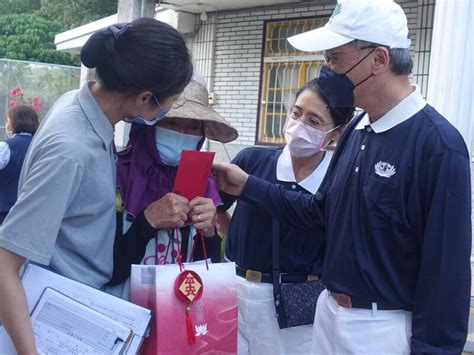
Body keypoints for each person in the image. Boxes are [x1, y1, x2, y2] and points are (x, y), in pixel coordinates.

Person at [213, 0, 471, 353]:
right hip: (328, 315)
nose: (328, 70)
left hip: (381, 328)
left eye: (335, 58)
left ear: (378, 60)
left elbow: (446, 269)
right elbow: (321, 213)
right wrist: (248, 186)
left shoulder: (436, 145)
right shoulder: (358, 130)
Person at [0, 18, 193, 354]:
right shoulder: (71, 149)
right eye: (169, 105)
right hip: (51, 324)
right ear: (144, 98)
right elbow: (5, 265)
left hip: (81, 309)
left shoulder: (85, 109)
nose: (167, 114)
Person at [216, 78, 354, 355]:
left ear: (336, 133)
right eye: (296, 113)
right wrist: (237, 238)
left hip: (299, 301)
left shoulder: (337, 179)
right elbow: (216, 207)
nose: (300, 124)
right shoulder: (251, 161)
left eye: (314, 121)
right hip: (236, 289)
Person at [107, 76, 238, 296]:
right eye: (172, 122)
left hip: (176, 317)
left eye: (193, 126)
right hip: (120, 312)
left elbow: (207, 273)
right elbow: (104, 271)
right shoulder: (115, 175)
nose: (182, 134)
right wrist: (146, 222)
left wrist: (209, 234)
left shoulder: (204, 184)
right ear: (150, 122)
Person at [0, 105, 39, 224]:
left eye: (8, 120)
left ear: (14, 122)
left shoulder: (5, 147)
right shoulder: (40, 147)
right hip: (30, 210)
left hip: (3, 210)